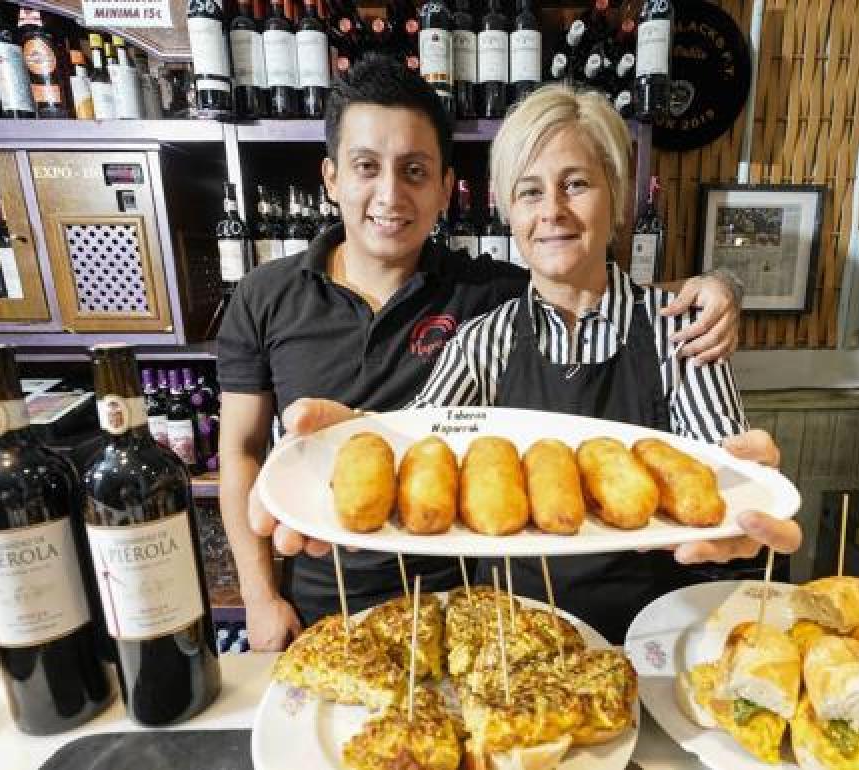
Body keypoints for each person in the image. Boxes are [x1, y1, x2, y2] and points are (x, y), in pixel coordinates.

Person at [217, 56, 747, 652]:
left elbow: (732, 484)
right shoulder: (482, 335)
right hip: (516, 636)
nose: (552, 211)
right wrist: (357, 436)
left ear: (617, 196)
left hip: (661, 635)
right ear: (508, 213)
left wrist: (720, 286)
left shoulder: (680, 330)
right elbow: (417, 434)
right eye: (529, 191)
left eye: (576, 183)